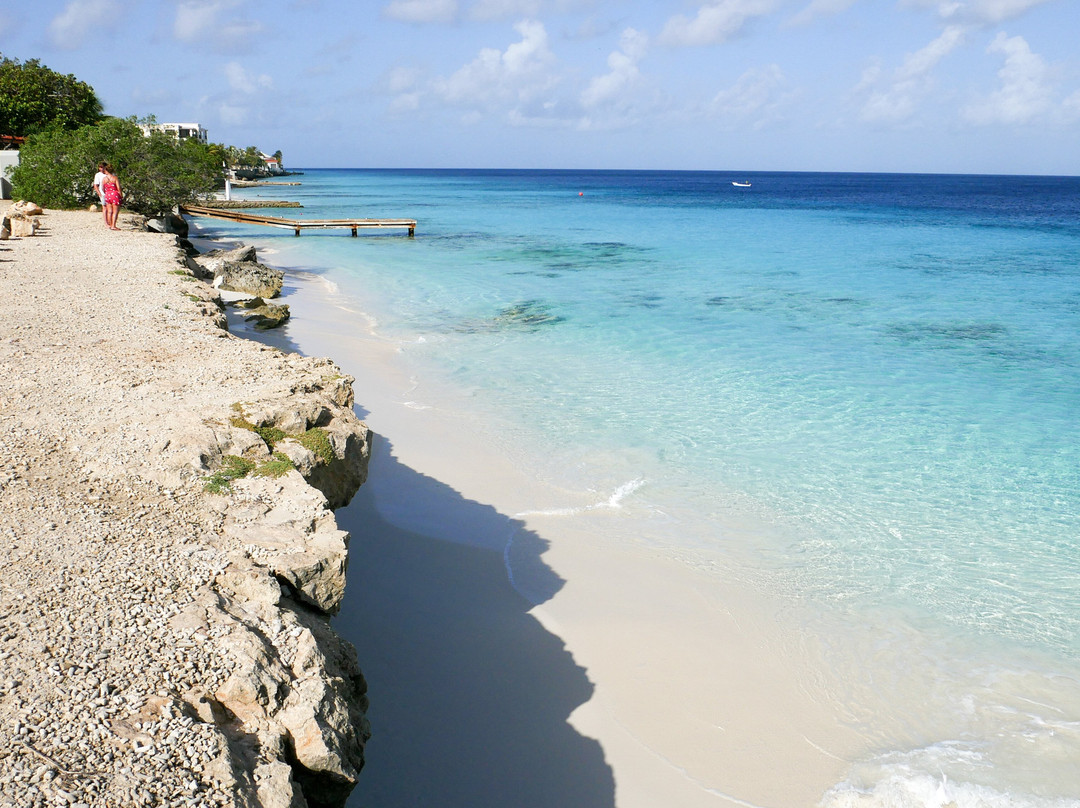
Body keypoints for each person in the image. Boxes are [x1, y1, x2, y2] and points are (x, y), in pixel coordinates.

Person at [101, 164, 123, 231]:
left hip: (107, 194)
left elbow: (102, 188)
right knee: (115, 211)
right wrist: (121, 195)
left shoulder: (104, 179)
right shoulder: (114, 178)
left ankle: (109, 225)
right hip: (114, 194)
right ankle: (113, 225)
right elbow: (118, 188)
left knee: (109, 211)